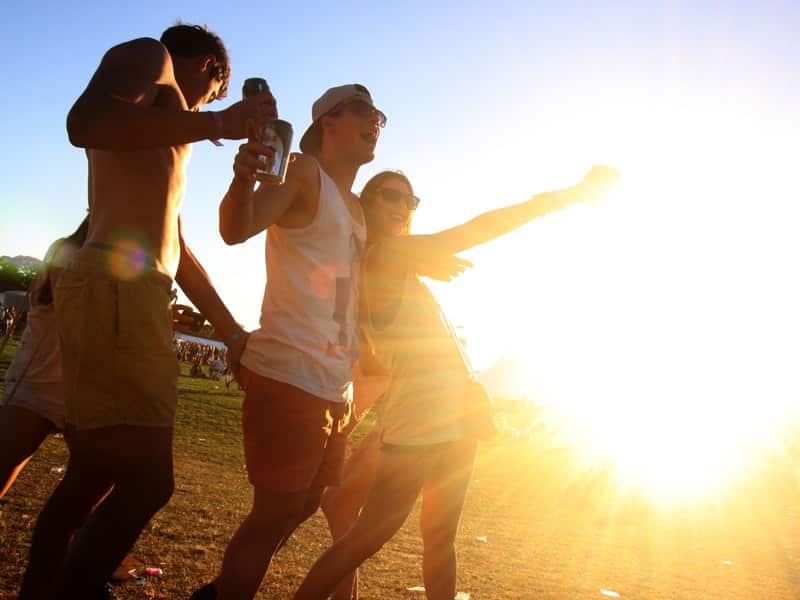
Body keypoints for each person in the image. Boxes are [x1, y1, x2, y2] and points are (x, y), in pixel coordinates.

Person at [18, 23, 272, 600]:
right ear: (210, 70)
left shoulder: (163, 132)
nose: (207, 109)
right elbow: (84, 123)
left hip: (129, 291)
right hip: (118, 294)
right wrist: (213, 123)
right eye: (213, 94)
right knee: (147, 481)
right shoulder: (149, 56)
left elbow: (173, 246)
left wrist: (231, 331)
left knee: (91, 474)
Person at [293, 165, 619, 600]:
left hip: (458, 416)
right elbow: (475, 229)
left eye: (409, 200)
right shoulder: (382, 258)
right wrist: (566, 196)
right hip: (420, 418)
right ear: (365, 204)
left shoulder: (386, 267)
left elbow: (368, 354)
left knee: (440, 538)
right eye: (389, 195)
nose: (402, 206)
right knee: (370, 536)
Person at [191, 84, 387, 600]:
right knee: (275, 511)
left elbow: (347, 290)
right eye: (366, 113)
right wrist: (241, 181)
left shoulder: (356, 209)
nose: (376, 124)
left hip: (334, 385)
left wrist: (368, 350)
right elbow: (238, 229)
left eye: (379, 118)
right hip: (291, 372)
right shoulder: (303, 172)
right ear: (328, 121)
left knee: (302, 504)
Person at [0, 219, 88, 500]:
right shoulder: (67, 250)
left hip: (81, 388)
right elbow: (70, 311)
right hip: (39, 381)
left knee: (96, 479)